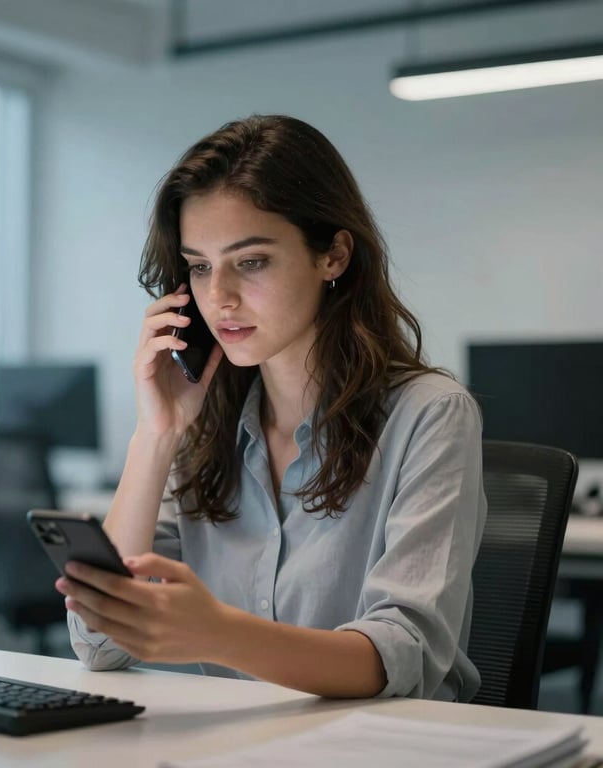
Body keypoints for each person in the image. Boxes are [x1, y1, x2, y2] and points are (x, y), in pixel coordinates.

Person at [57, 114, 487, 701]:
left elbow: (402, 655)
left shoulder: (429, 414)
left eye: (251, 261)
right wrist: (156, 435)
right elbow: (100, 642)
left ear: (333, 255)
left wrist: (220, 635)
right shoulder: (205, 424)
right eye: (200, 266)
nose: (218, 297)